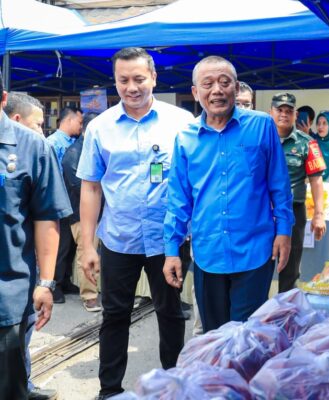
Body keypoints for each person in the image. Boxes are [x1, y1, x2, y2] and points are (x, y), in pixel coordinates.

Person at [77, 47, 192, 399]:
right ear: (115, 81)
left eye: (139, 78)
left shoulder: (182, 123)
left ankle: (172, 386)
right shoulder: (100, 127)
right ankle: (109, 390)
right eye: (123, 80)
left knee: (170, 314)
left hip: (168, 241)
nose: (132, 87)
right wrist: (87, 245)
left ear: (154, 77)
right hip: (119, 240)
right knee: (114, 316)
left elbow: (193, 181)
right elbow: (91, 188)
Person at [162, 56, 294, 332]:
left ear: (236, 87)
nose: (217, 90)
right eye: (207, 84)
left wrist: (284, 231)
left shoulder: (262, 126)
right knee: (214, 336)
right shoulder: (185, 138)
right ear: (196, 93)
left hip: (255, 250)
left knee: (247, 337)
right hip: (208, 252)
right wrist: (171, 250)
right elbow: (178, 199)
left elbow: (279, 185)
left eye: (224, 82)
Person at [0, 74, 72, 399]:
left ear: (3, 100)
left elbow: (46, 218)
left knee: (9, 387)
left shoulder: (32, 146)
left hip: (8, 296)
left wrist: (46, 283)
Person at [269, 93, 326, 292]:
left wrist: (319, 215)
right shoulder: (260, 138)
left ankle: (286, 312)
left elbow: (316, 180)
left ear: (295, 115)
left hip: (294, 210)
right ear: (271, 112)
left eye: (289, 111)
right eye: (280, 110)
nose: (284, 114)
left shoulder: (307, 142)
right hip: (263, 211)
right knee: (261, 263)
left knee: (290, 266)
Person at [62, 112, 101, 313]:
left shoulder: (94, 148)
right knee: (85, 252)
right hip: (81, 214)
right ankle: (90, 296)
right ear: (89, 128)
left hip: (101, 213)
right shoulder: (73, 153)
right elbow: (78, 185)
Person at [47, 107, 84, 304]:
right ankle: (54, 285)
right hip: (58, 201)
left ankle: (65, 280)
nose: (81, 126)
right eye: (79, 122)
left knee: (69, 245)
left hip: (71, 202)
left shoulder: (72, 143)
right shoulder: (52, 143)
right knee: (60, 246)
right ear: (68, 120)